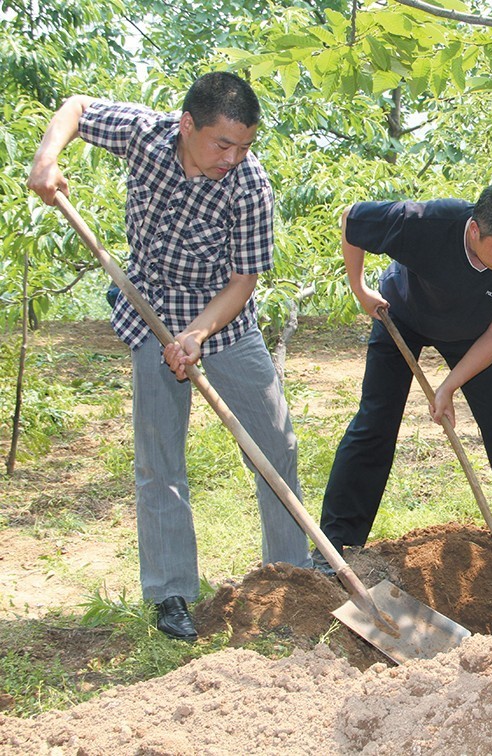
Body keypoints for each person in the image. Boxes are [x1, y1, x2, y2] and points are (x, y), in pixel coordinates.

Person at [27, 72, 312, 642]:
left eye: (244, 146)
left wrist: (199, 334)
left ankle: (290, 577)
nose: (233, 157)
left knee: (274, 444)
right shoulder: (145, 135)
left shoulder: (249, 186)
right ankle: (171, 591)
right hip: (148, 316)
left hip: (224, 328)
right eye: (222, 144)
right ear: (188, 126)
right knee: (160, 462)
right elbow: (77, 107)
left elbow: (244, 279)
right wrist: (46, 158)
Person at [315, 182, 492, 572]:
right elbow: (352, 219)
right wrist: (359, 288)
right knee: (374, 423)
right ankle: (337, 544)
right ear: (476, 230)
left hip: (474, 334)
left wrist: (448, 387)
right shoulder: (427, 222)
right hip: (402, 314)